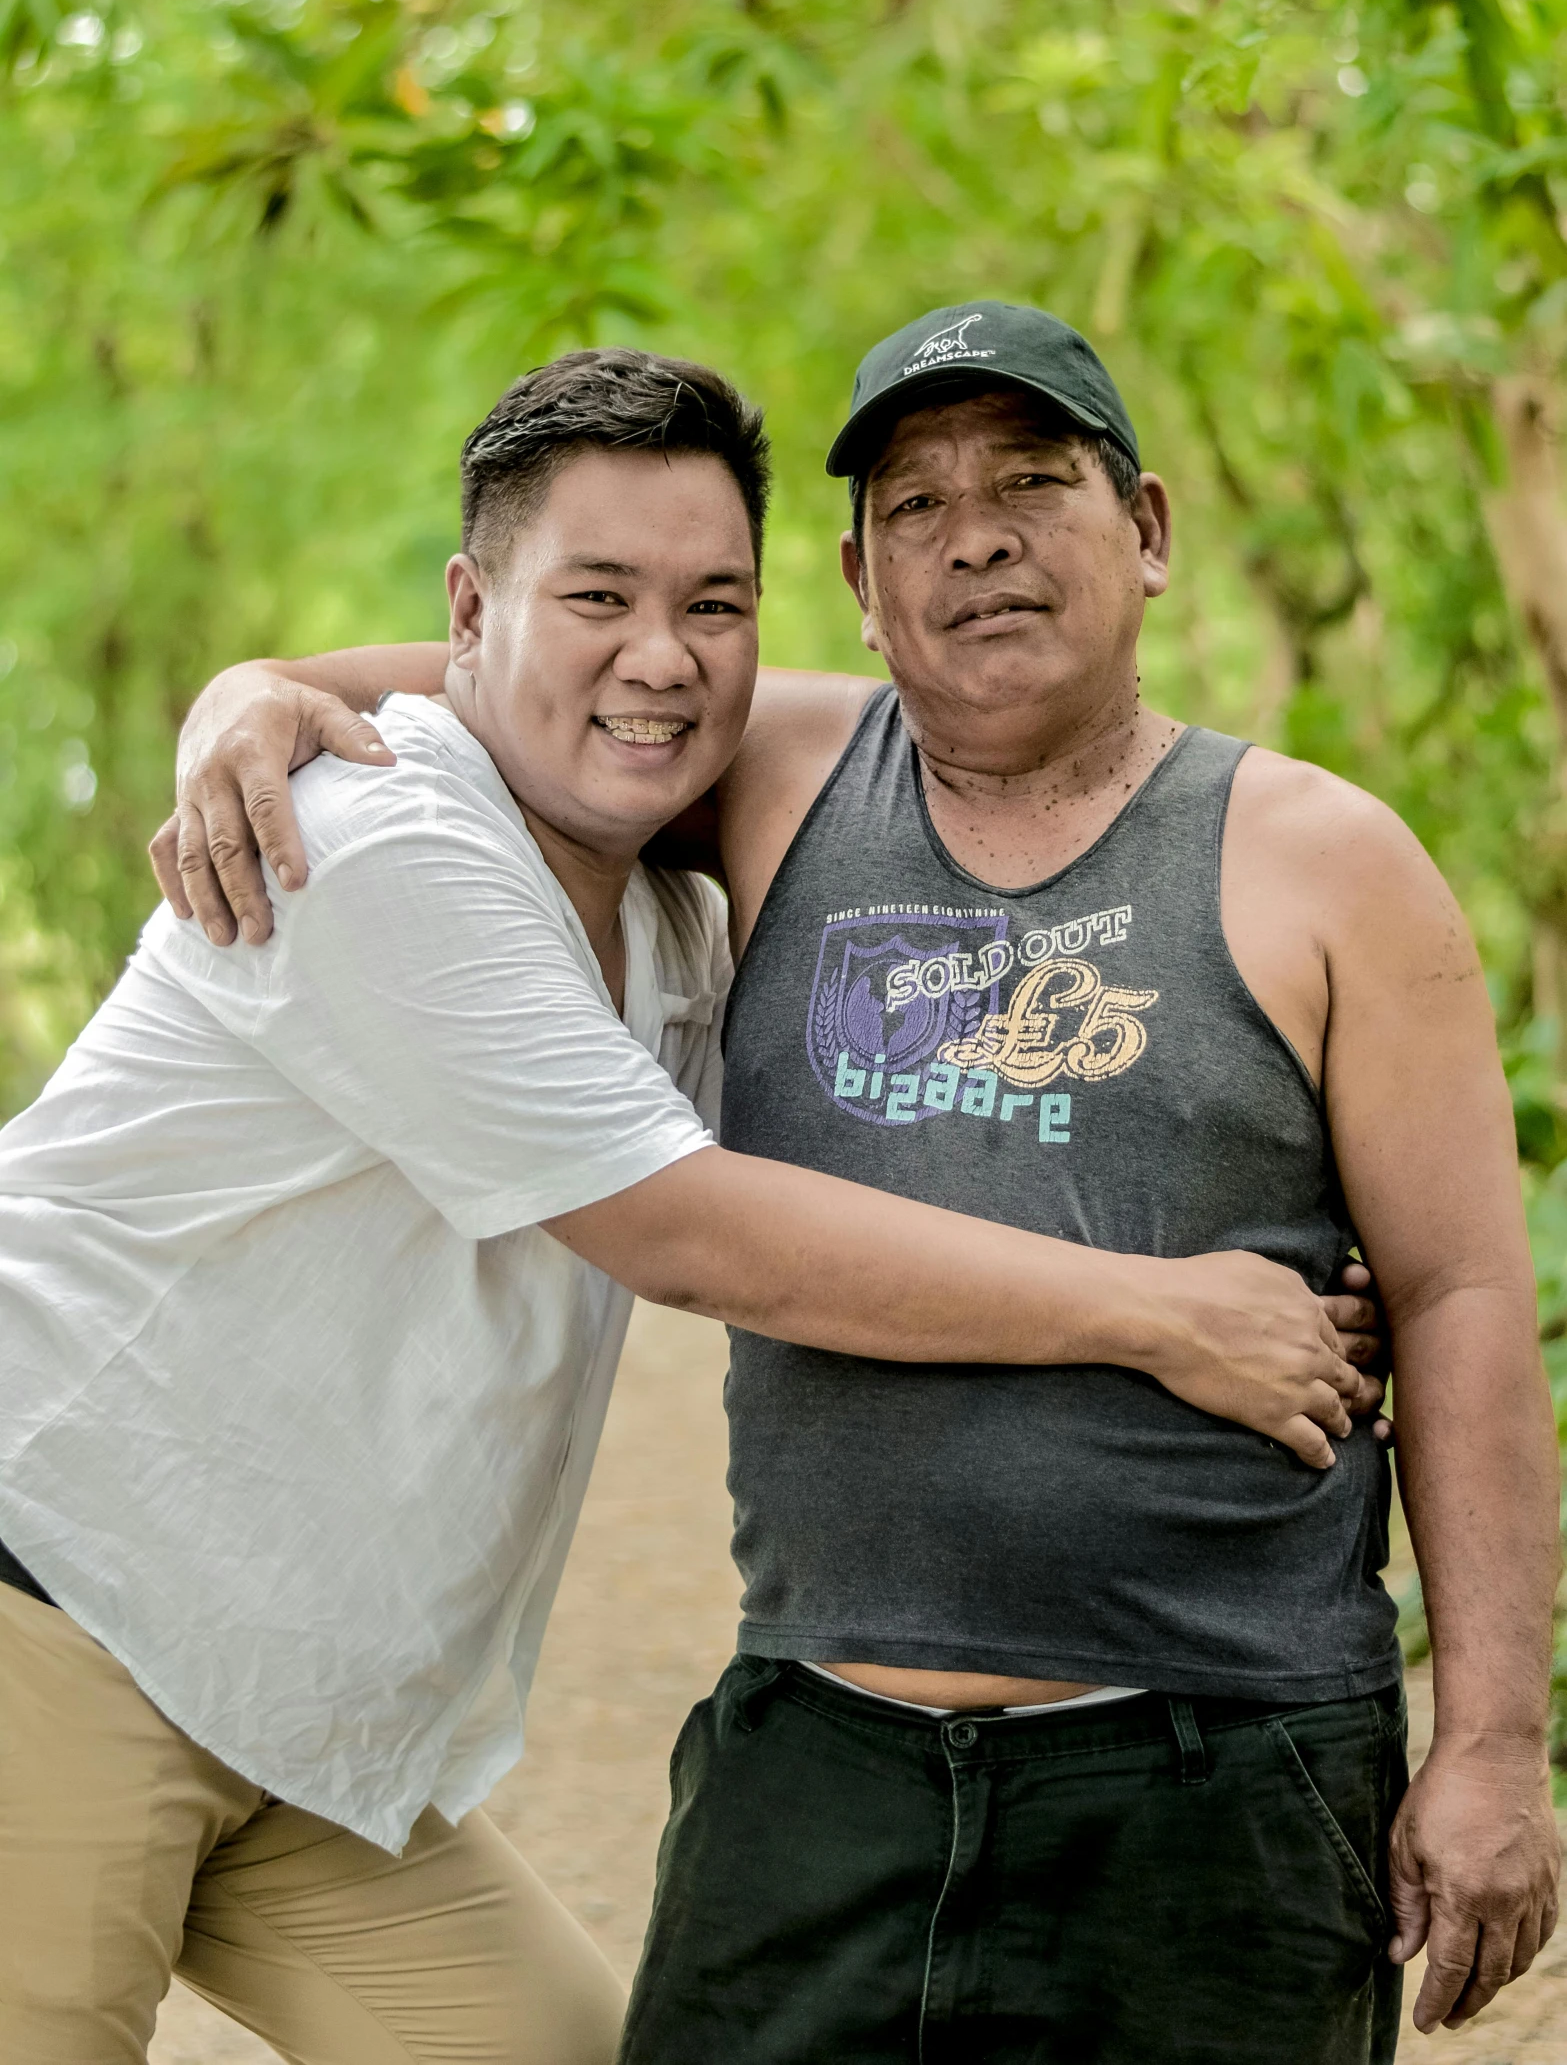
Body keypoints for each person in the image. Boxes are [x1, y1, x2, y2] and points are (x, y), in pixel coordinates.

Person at [158, 305, 1551, 2065]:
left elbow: (1461, 1301)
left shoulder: (1326, 861)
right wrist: (253, 695)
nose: (972, 533)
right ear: (859, 577)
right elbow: (483, 679)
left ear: (1148, 529)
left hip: (1223, 1763)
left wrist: (1493, 1741)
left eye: (1033, 479)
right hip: (816, 1758)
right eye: (914, 504)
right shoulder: (780, 770)